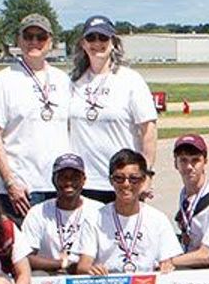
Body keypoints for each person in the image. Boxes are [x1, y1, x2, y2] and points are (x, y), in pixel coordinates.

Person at [0, 13, 75, 213]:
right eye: (28, 36)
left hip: (58, 185)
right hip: (21, 189)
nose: (34, 42)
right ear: (19, 40)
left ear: (51, 42)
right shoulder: (4, 80)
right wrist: (10, 181)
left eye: (41, 37)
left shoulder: (63, 80)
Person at [63, 15, 159, 199]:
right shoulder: (73, 82)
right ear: (83, 44)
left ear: (113, 42)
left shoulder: (130, 80)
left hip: (122, 182)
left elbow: (149, 131)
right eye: (91, 38)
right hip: (82, 183)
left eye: (103, 38)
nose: (97, 43)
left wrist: (146, 175)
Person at [84, 147, 188, 276]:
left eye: (133, 178)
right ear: (111, 181)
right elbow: (84, 264)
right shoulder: (94, 218)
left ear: (143, 180)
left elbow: (169, 260)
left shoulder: (158, 219)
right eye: (119, 178)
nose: (126, 184)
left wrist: (167, 266)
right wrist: (91, 269)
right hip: (108, 283)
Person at [19, 153, 104, 275]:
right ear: (53, 180)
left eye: (75, 177)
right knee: (36, 275)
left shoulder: (98, 210)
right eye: (63, 177)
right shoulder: (38, 212)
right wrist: (63, 264)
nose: (69, 182)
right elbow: (25, 257)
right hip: (51, 274)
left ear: (84, 180)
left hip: (87, 274)